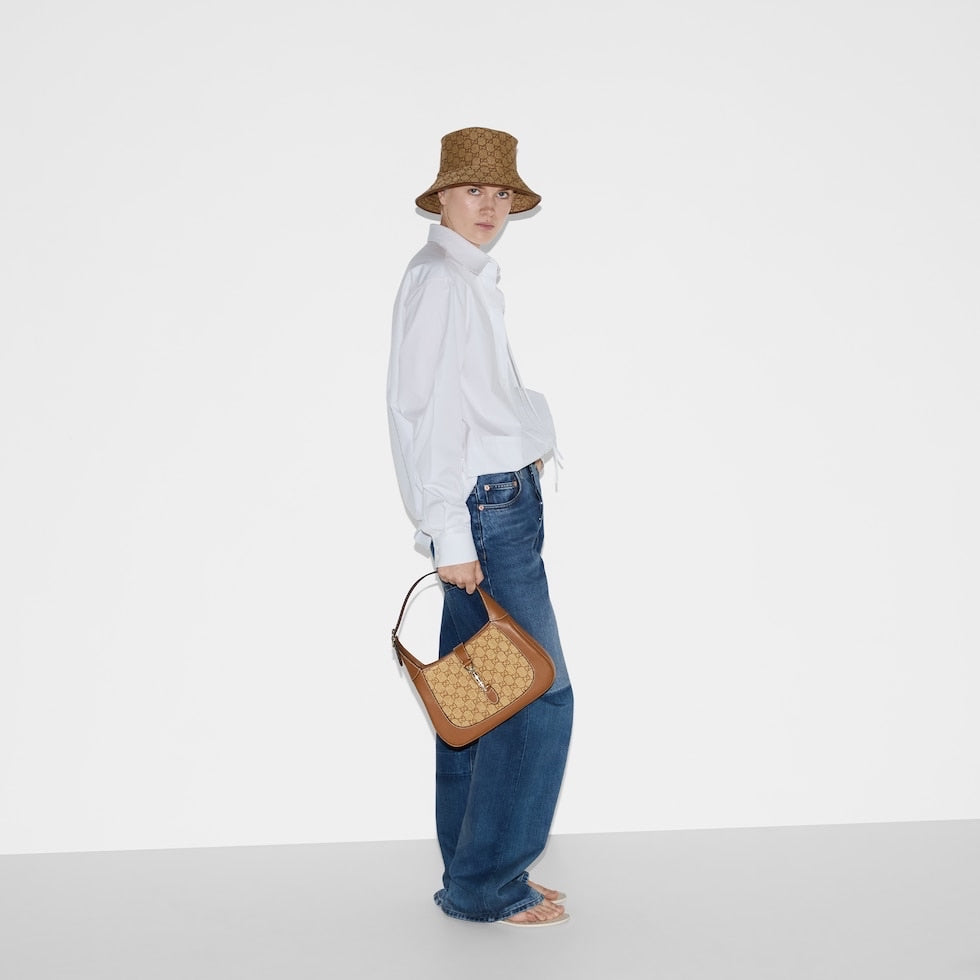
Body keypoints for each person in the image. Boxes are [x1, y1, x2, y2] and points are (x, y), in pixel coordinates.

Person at [386, 127, 574, 927]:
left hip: (495, 506)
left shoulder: (464, 277)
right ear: (442, 197)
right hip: (484, 515)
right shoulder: (439, 281)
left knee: (475, 695)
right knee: (537, 696)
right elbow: (420, 414)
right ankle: (488, 885)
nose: (489, 206)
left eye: (500, 193)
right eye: (474, 190)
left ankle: (473, 873)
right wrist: (451, 534)